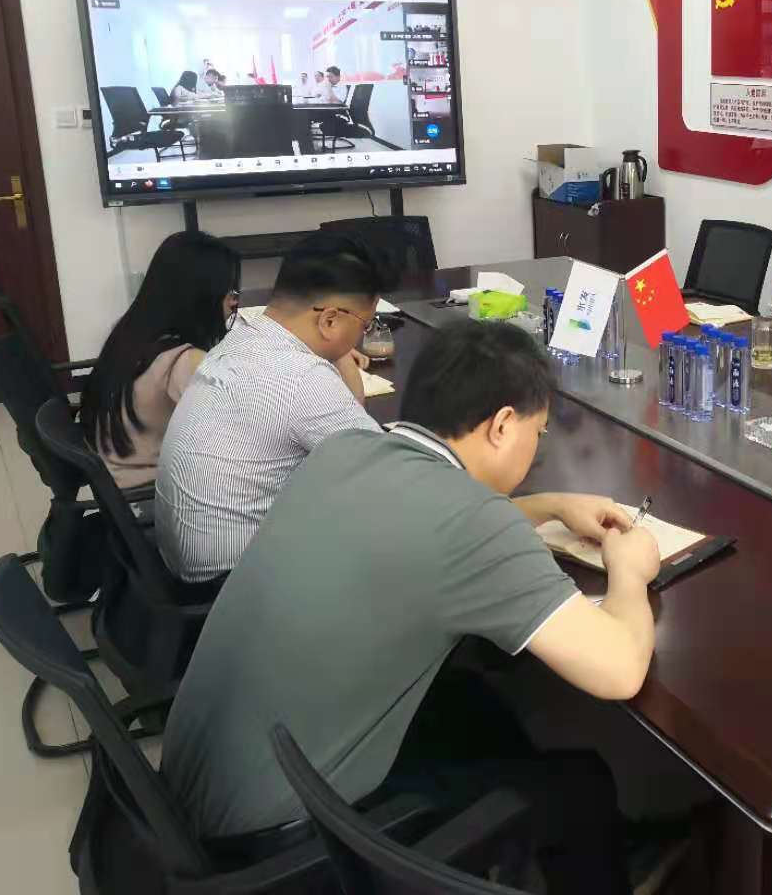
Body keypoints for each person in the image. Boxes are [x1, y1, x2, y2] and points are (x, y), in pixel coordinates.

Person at [162, 321, 658, 892]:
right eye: (537, 433)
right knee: (582, 786)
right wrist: (630, 571)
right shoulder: (473, 526)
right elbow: (620, 669)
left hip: (191, 796)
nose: (536, 447)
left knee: (472, 699)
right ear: (502, 425)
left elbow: (431, 529)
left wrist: (549, 505)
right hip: (279, 841)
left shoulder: (346, 451)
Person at [154, 232, 394, 582]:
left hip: (183, 560)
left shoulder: (242, 336)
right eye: (365, 325)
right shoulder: (302, 376)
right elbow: (389, 473)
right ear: (329, 320)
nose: (361, 335)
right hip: (233, 581)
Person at [79, 233, 241, 489]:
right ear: (201, 295)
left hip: (117, 474)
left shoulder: (132, 332)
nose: (234, 301)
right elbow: (235, 434)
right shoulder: (184, 361)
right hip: (151, 489)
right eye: (229, 291)